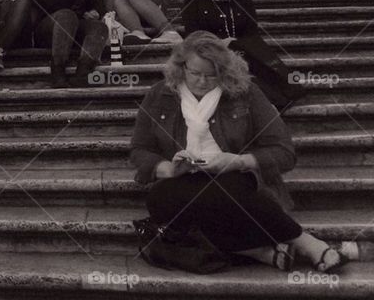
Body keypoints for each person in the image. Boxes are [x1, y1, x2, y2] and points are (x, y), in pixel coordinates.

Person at [130, 31, 357, 275]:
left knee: (224, 189)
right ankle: (265, 249)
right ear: (181, 66)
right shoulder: (159, 94)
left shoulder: (245, 92)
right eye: (195, 73)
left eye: (211, 75)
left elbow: (284, 151)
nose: (202, 82)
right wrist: (169, 168)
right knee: (159, 199)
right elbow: (139, 149)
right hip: (182, 182)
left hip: (238, 181)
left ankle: (302, 245)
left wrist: (238, 161)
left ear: (225, 71)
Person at [180, 0, 306, 110]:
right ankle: (271, 103)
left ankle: (283, 94)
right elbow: (193, 35)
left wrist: (235, 43)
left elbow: (251, 32)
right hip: (210, 54)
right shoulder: (193, 1)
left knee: (258, 59)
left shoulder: (242, 0)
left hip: (244, 50)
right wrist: (219, 44)